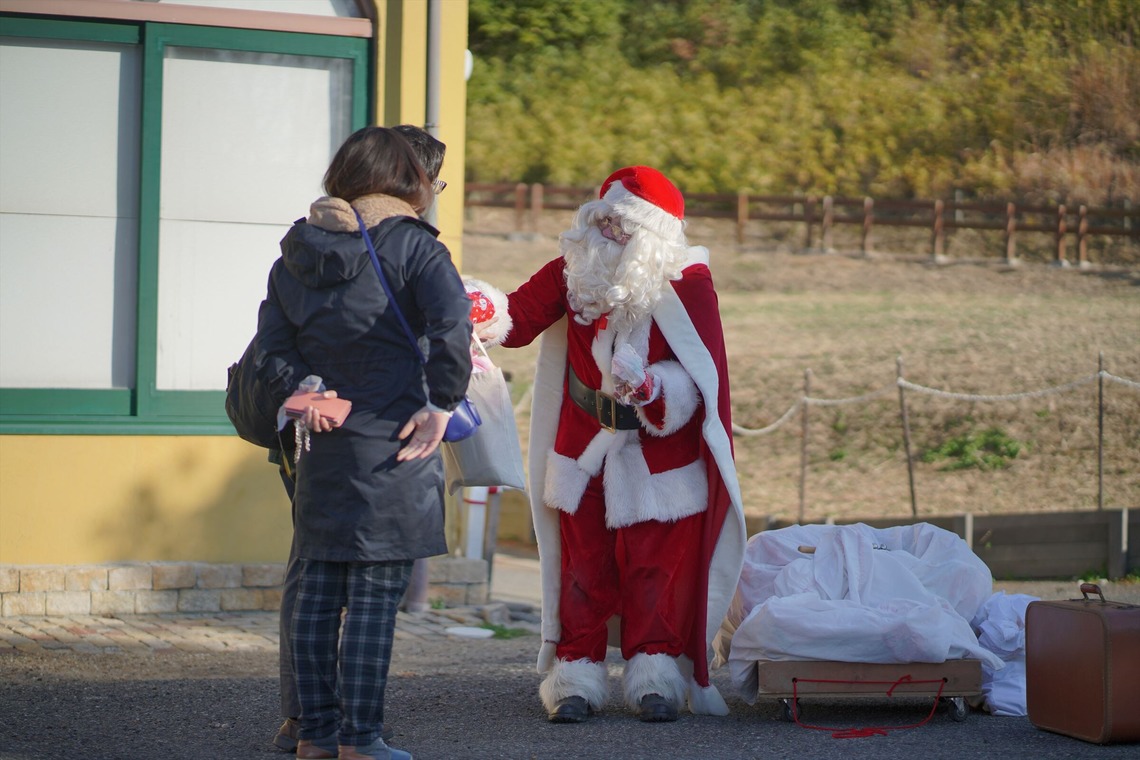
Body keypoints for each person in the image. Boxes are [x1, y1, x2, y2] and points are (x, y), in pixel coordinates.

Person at [474, 166, 746, 723]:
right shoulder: (572, 271)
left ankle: (655, 673)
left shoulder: (689, 284)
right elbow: (517, 318)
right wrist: (481, 309)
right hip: (581, 450)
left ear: (654, 234)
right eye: (604, 221)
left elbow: (702, 381)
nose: (611, 234)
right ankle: (575, 674)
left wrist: (650, 387)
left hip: (657, 454)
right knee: (583, 566)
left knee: (656, 567)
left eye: (625, 225)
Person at [256, 125, 472, 760]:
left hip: (319, 440)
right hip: (393, 441)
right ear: (406, 180)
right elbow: (452, 322)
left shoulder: (296, 250)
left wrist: (306, 392)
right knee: (375, 597)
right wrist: (441, 403)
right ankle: (361, 739)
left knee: (318, 593)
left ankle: (314, 737)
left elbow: (271, 347)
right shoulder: (412, 246)